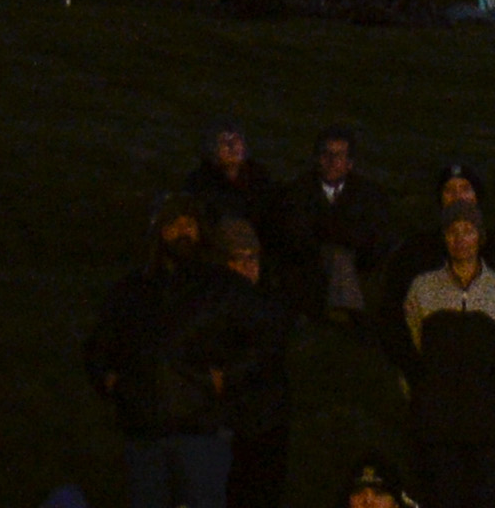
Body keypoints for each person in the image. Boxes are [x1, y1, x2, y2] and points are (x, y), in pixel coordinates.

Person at [84, 192, 265, 508]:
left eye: (190, 223)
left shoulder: (221, 286)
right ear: (158, 230)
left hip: (201, 433)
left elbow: (260, 343)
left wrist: (225, 380)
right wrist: (111, 381)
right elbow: (99, 346)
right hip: (144, 435)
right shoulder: (131, 290)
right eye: (175, 223)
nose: (184, 230)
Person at [389, 204, 495, 508]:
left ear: (480, 236)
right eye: (453, 232)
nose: (461, 239)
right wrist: (421, 397)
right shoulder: (423, 289)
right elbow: (409, 349)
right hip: (436, 430)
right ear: (444, 237)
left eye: (468, 231)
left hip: (488, 431)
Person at [205, 215, 299, 508]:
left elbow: (266, 351)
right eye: (238, 258)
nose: (248, 266)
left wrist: (227, 377)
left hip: (264, 421)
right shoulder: (208, 303)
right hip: (220, 423)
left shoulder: (269, 302)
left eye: (253, 257)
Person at [266, 128, 393, 326]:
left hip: (359, 261)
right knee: (336, 257)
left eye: (339, 155)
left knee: (343, 257)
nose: (332, 161)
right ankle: (348, 314)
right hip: (312, 262)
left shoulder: (368, 194)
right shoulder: (299, 191)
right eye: (326, 154)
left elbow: (375, 235)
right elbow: (296, 235)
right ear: (317, 158)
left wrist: (335, 235)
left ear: (350, 163)